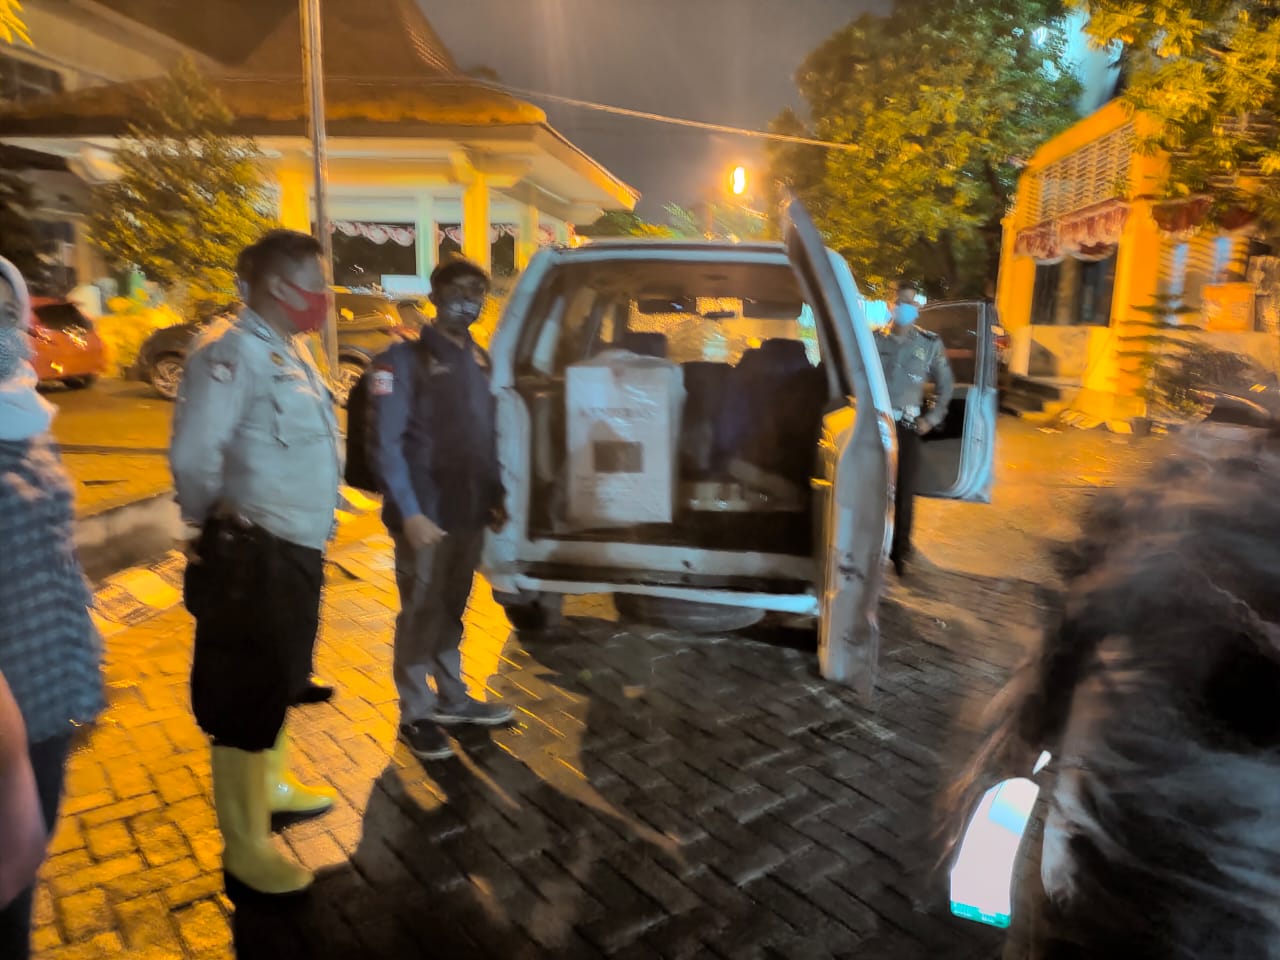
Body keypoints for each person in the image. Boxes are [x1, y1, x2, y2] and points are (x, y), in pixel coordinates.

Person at [947, 432, 1280, 958]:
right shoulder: (1206, 528)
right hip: (1201, 890)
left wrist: (1025, 735)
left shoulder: (1186, 521)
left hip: (1114, 868)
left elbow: (1075, 635)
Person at [170, 229, 340, 897]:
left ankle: (272, 785)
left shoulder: (290, 349)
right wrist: (208, 524)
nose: (325, 298)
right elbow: (194, 454)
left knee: (279, 676)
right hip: (252, 551)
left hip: (295, 547)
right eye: (317, 285)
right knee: (242, 696)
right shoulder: (229, 352)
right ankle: (244, 846)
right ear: (277, 286)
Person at [0, 256, 105, 956]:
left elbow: (55, 551)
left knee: (20, 885)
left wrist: (84, 661)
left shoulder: (25, 413)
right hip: (5, 715)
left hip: (45, 690)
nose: (9, 329)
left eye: (11, 313)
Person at [369, 257, 512, 763]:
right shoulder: (400, 361)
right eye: (458, 289)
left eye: (478, 292)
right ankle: (415, 712)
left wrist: (496, 495)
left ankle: (452, 697)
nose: (468, 300)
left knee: (451, 609)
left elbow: (485, 436)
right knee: (420, 612)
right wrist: (409, 512)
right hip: (424, 515)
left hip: (468, 511)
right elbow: (386, 443)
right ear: (434, 296)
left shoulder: (480, 360)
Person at [875, 279, 953, 578]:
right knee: (872, 489)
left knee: (904, 493)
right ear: (890, 305)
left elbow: (946, 386)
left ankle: (900, 553)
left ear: (916, 307)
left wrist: (931, 420)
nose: (905, 307)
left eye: (910, 302)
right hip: (877, 426)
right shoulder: (874, 341)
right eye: (900, 302)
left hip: (908, 427)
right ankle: (870, 548)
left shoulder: (929, 344)